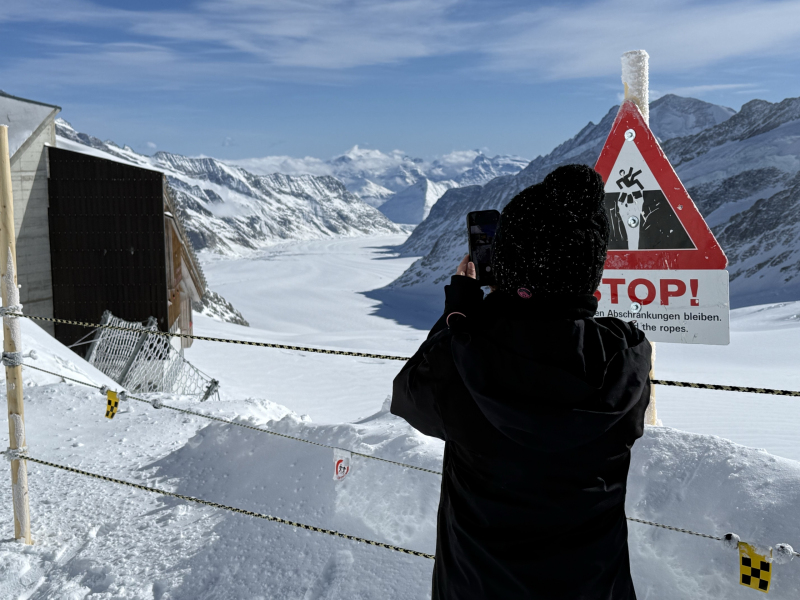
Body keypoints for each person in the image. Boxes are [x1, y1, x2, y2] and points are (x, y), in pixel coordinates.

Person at [391, 164, 651, 599]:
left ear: (507, 264)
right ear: (590, 271)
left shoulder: (463, 357)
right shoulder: (626, 357)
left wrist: (459, 313)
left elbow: (408, 396)